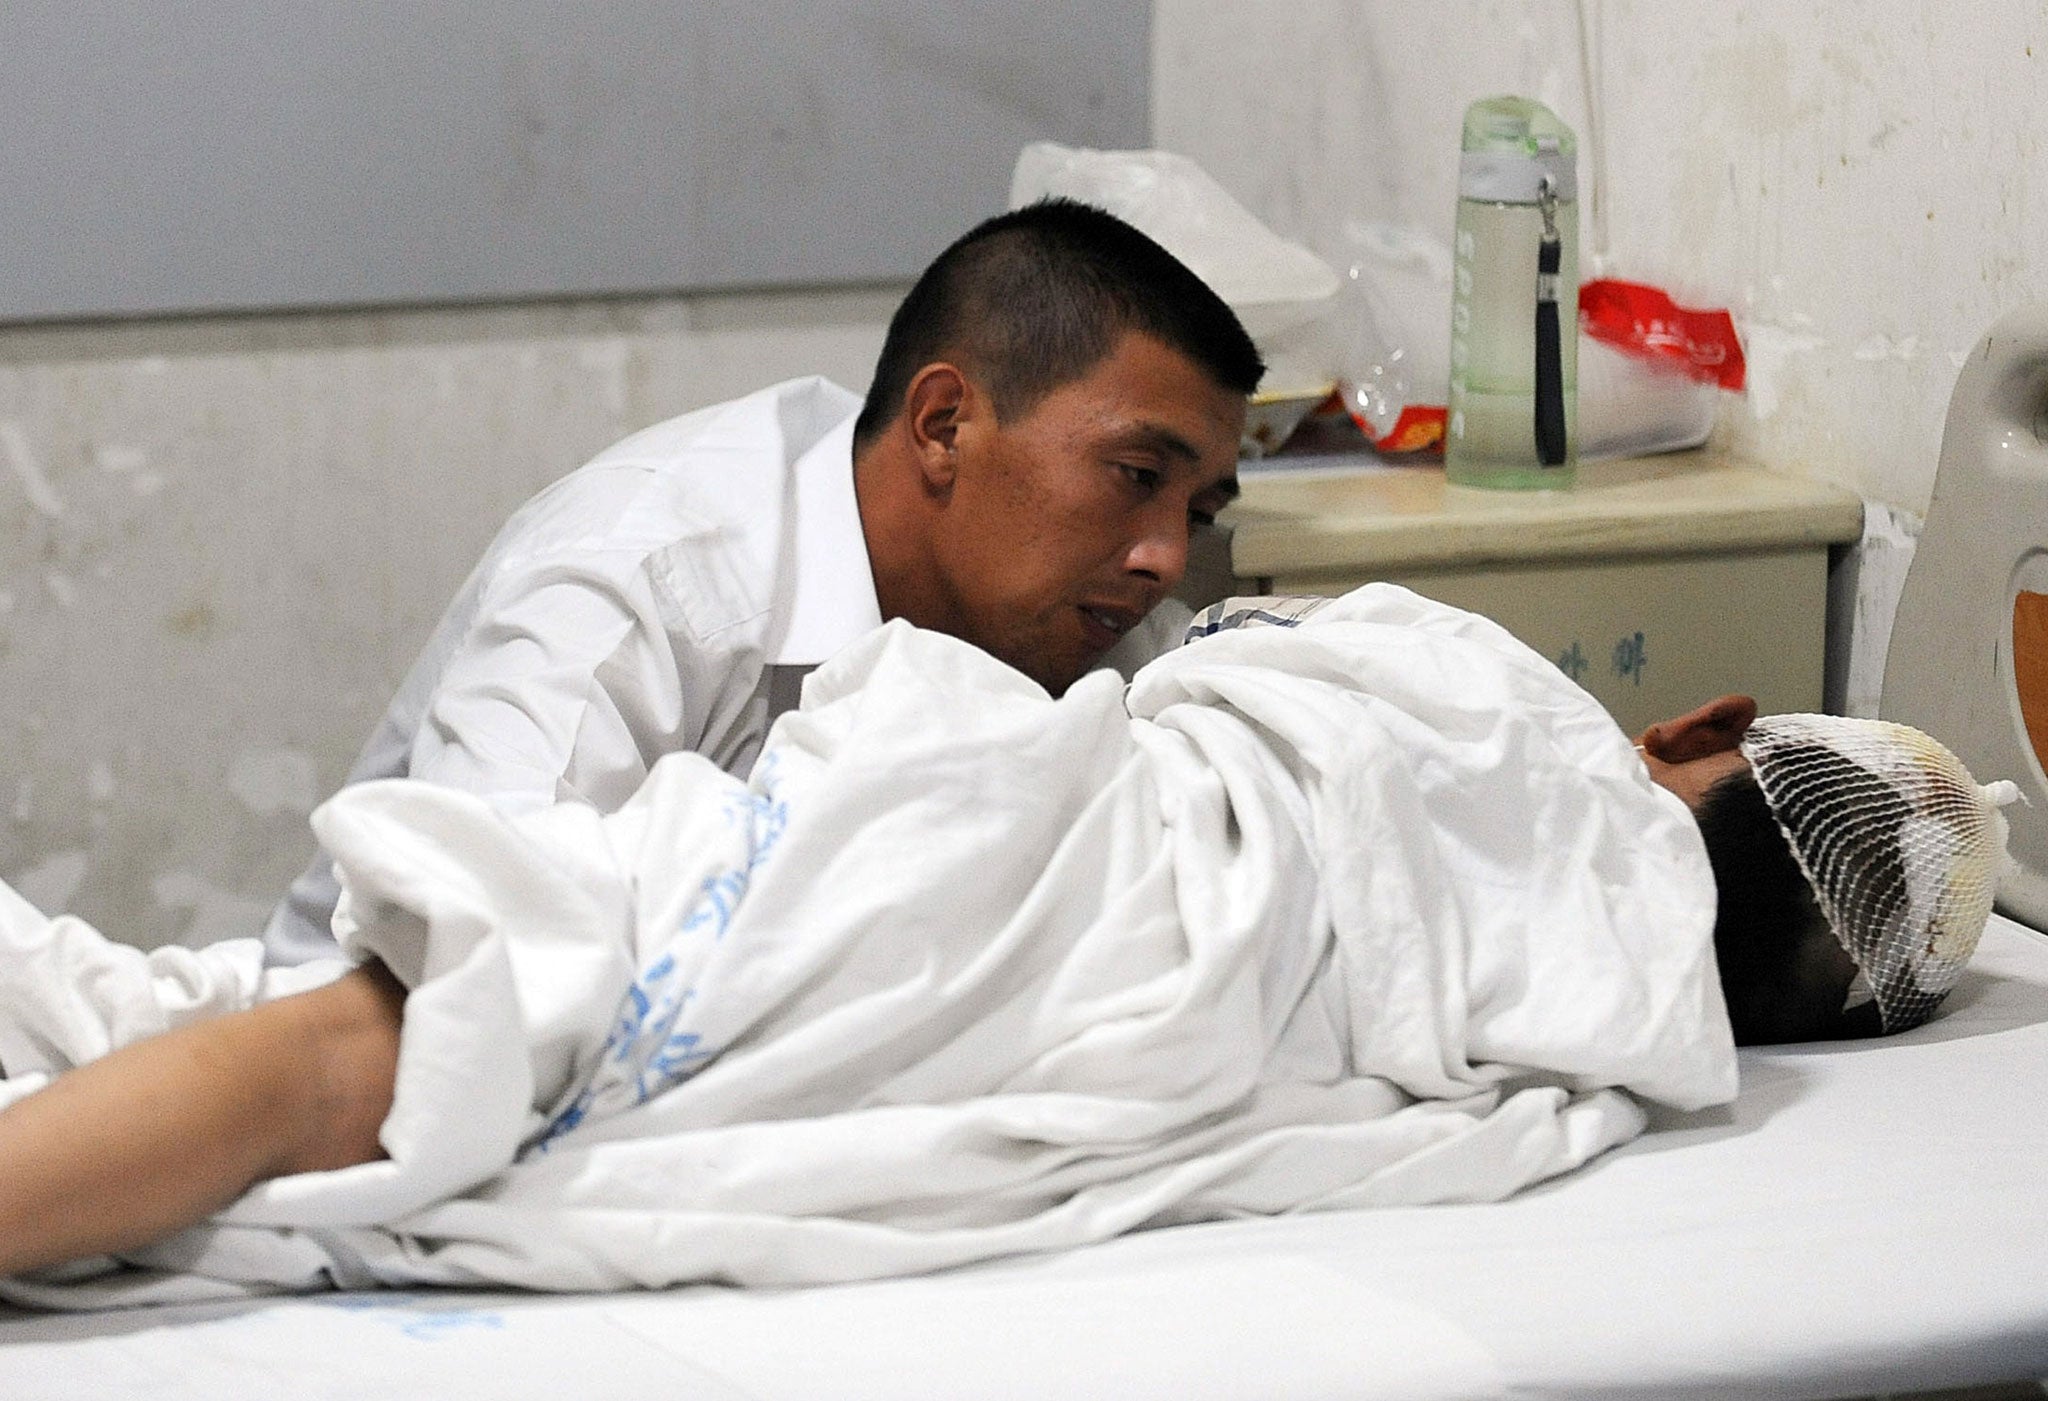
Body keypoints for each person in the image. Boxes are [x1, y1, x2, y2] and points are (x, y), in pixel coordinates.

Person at [0, 587, 2011, 1292]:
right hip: (1100, 972)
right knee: (390, 1053)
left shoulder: (1488, 695)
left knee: (371, 1043)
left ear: (1701, 732)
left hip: (999, 866)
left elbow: (1235, 671)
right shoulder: (1625, 1049)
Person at [261, 196, 1262, 965]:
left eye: (1197, 512)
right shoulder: (647, 584)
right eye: (1134, 479)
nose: (1164, 557)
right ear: (944, 425)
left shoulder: (1102, 626)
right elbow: (468, 953)